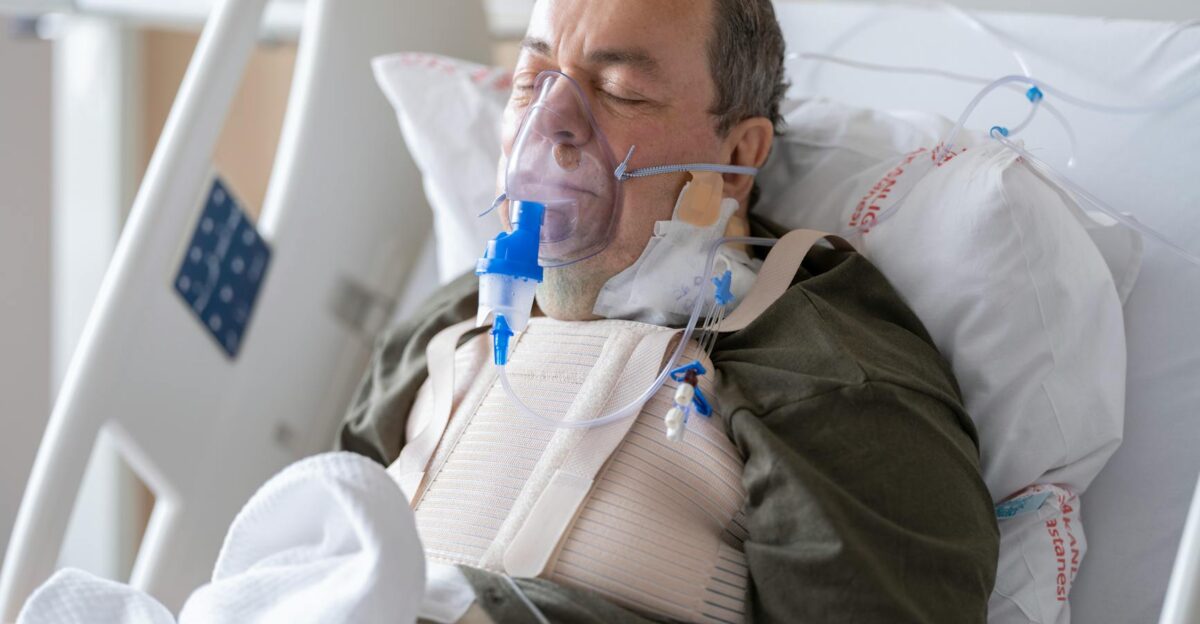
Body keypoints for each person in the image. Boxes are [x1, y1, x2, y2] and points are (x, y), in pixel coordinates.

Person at [339, 0, 999, 622]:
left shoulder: (834, 385)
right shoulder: (443, 330)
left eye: (620, 90)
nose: (551, 121)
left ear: (737, 157)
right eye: (532, 78)